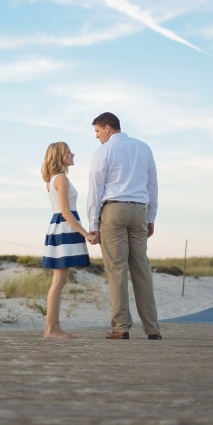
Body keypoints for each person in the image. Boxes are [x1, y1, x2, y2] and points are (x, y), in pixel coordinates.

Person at [87, 112, 162, 340]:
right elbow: (152, 185)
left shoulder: (104, 151)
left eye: (98, 131)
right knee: (142, 269)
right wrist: (151, 217)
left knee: (117, 269)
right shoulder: (144, 148)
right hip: (139, 211)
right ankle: (152, 329)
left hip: (114, 210)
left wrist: (93, 223)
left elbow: (95, 188)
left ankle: (121, 327)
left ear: (108, 128)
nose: (97, 137)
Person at [40, 142, 97, 339]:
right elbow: (66, 212)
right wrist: (86, 234)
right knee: (58, 281)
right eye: (69, 152)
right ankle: (51, 329)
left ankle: (53, 328)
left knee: (60, 280)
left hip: (60, 226)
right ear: (60, 156)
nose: (73, 154)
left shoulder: (53, 179)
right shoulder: (61, 179)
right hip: (65, 226)